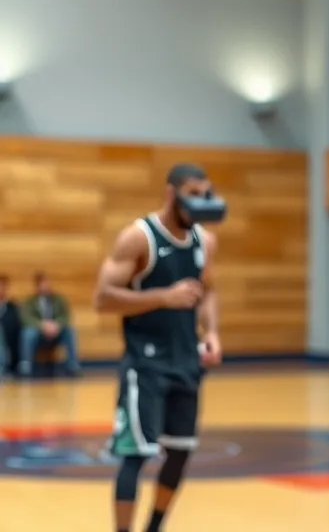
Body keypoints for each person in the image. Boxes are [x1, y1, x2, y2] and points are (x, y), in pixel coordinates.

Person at [93, 163, 224, 532]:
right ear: (172, 194)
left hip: (186, 360)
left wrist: (211, 331)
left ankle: (154, 527)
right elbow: (102, 299)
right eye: (194, 195)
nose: (202, 203)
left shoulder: (205, 241)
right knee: (134, 455)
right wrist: (163, 297)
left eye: (206, 194)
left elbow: (208, 289)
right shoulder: (138, 237)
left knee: (180, 453)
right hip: (145, 364)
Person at [18, 271, 80, 377]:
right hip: (38, 332)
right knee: (27, 334)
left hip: (56, 331)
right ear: (37, 286)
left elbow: (65, 316)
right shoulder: (30, 301)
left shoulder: (58, 299)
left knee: (70, 331)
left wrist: (56, 325)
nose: (46, 286)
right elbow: (26, 318)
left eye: (47, 283)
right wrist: (42, 325)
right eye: (43, 284)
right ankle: (25, 366)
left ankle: (72, 366)